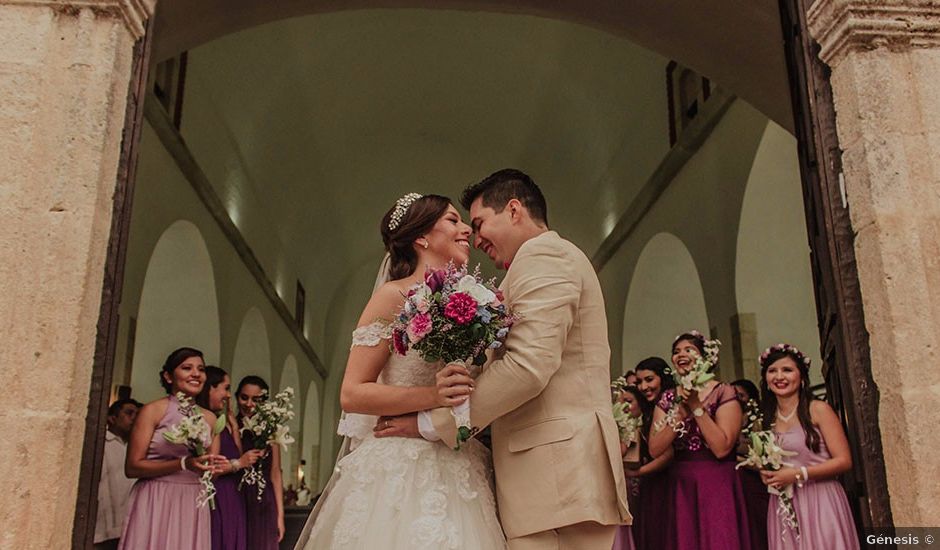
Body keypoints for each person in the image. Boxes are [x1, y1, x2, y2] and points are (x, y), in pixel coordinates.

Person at [377, 170, 631, 550]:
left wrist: (431, 423)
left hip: (557, 480)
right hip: (550, 484)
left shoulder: (544, 255)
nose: (476, 239)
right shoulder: (531, 265)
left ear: (513, 210)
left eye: (479, 224)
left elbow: (527, 368)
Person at [294, 193, 505, 549]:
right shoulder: (392, 297)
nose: (466, 228)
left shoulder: (476, 300)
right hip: (399, 467)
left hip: (458, 461)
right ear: (421, 237)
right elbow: (353, 392)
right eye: (453, 220)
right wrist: (434, 397)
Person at [648, 332, 751, 549]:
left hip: (716, 480)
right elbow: (655, 449)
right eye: (676, 351)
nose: (681, 354)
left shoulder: (723, 391)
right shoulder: (667, 398)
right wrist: (678, 415)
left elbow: (722, 448)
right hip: (682, 484)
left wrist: (696, 407)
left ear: (705, 356)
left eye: (688, 349)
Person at [119, 347, 225, 550]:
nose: (196, 374)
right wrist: (183, 463)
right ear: (168, 376)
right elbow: (132, 467)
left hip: (193, 500)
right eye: (187, 368)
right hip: (157, 496)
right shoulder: (152, 410)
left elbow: (211, 475)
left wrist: (219, 468)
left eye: (201, 369)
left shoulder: (210, 418)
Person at [758, 344, 859, 549]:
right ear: (766, 380)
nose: (779, 376)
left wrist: (797, 474)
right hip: (784, 505)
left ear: (802, 377)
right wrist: (767, 473)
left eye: (787, 370)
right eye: (772, 371)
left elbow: (844, 461)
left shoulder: (818, 410)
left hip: (821, 499)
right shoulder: (765, 419)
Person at [197, 366, 264, 550]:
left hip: (234, 493)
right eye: (225, 388)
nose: (228, 395)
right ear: (210, 388)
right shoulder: (200, 420)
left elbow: (237, 453)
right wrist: (238, 464)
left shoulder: (223, 420)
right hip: (218, 492)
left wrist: (234, 428)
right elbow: (208, 468)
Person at [628, 357, 675, 550]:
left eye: (649, 379)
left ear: (662, 378)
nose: (643, 386)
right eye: (639, 382)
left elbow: (667, 454)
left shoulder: (672, 405)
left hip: (669, 481)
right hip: (652, 483)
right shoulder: (646, 410)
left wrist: (637, 473)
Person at [236, 376, 285, 549]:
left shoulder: (271, 430)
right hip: (238, 497)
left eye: (256, 400)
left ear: (264, 402)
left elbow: (276, 472)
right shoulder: (231, 426)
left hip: (265, 499)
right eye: (244, 397)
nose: (249, 404)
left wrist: (280, 516)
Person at [94, 398, 141, 550]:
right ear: (112, 418)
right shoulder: (102, 444)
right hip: (104, 523)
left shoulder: (137, 447)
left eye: (137, 414)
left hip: (128, 521)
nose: (134, 418)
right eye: (129, 413)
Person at [732, 378, 769, 550]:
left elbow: (764, 458)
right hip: (736, 482)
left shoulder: (758, 421)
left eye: (741, 395)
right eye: (734, 396)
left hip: (756, 481)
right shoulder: (728, 418)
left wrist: (737, 460)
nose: (737, 399)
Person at [611, 383, 644, 550]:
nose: (623, 406)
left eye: (629, 401)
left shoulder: (640, 426)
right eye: (619, 401)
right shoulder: (616, 424)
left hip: (638, 483)